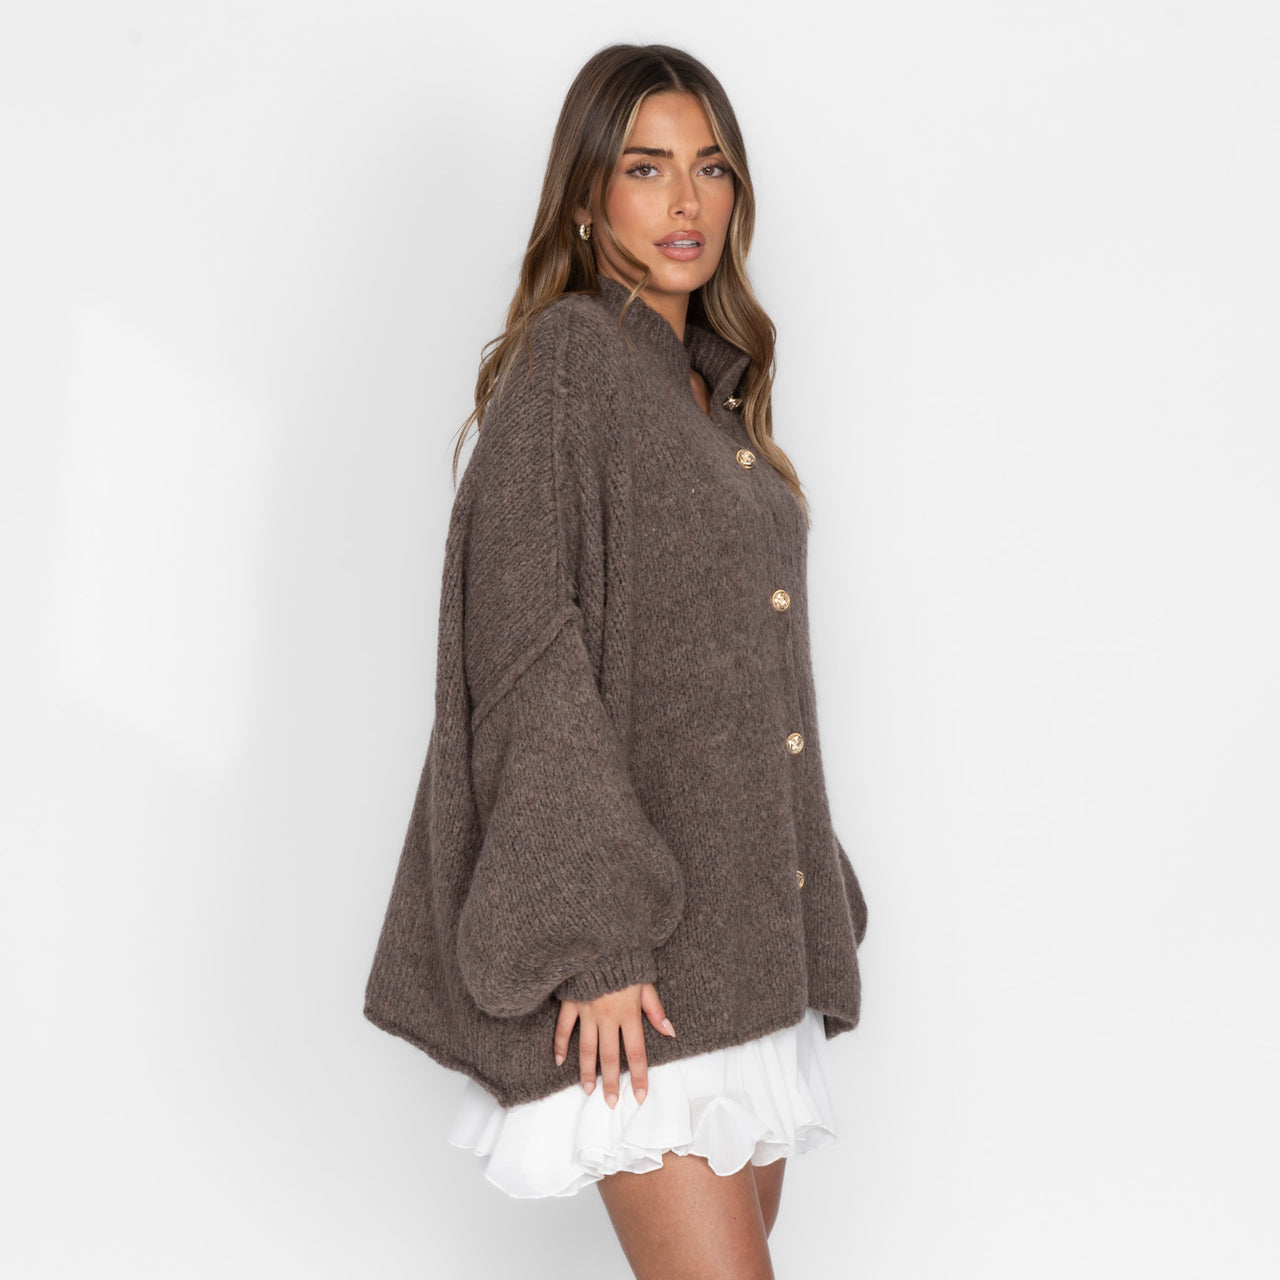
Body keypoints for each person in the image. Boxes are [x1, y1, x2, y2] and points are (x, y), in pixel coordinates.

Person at [364, 42, 869, 1278]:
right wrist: (592, 935)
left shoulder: (709, 397)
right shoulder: (571, 365)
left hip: (744, 950)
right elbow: (529, 661)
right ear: (588, 197)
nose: (685, 200)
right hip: (641, 974)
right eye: (646, 168)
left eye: (710, 167)